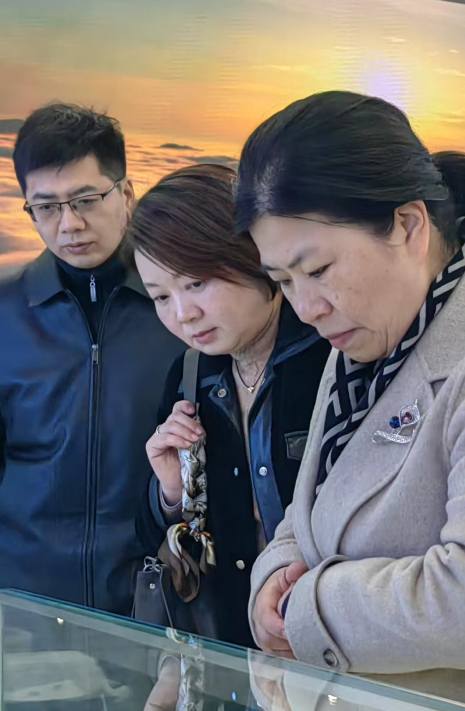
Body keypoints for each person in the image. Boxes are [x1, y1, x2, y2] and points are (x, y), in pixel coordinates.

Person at [237, 92, 465, 711]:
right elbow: (315, 510)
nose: (307, 308)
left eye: (317, 269)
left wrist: (308, 607)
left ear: (408, 225)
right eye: (284, 281)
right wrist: (273, 576)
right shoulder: (368, 340)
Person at [0, 103, 183, 609]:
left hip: (147, 594)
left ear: (126, 194)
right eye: (46, 207)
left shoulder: (177, 309)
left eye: (85, 200)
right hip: (25, 597)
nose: (69, 224)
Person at [130, 164, 332, 647]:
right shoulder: (190, 375)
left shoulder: (333, 356)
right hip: (233, 649)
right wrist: (174, 492)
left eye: (197, 283)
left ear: (252, 255)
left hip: (327, 639)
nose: (183, 314)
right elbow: (175, 542)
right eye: (161, 297)